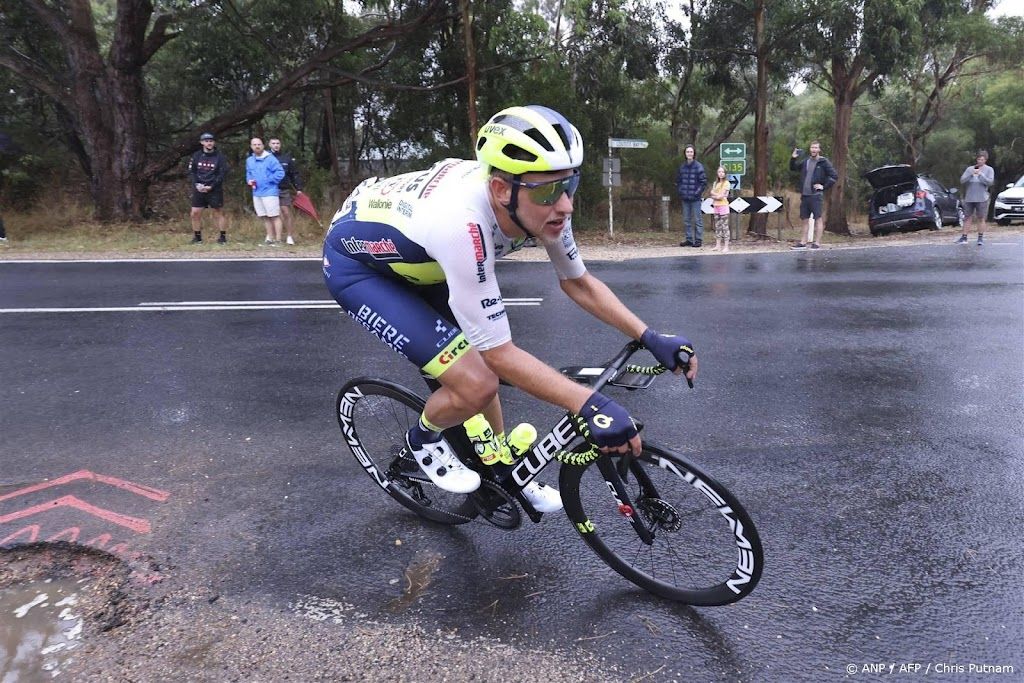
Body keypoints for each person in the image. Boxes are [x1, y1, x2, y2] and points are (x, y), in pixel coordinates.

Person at [322, 105, 698, 511]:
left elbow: (578, 282)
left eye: (571, 184)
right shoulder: (462, 225)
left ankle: (500, 468)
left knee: (482, 371)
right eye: (552, 191)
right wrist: (590, 405)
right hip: (361, 269)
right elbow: (498, 355)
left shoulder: (538, 199)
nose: (566, 205)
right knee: (479, 379)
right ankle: (423, 439)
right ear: (502, 189)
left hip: (426, 263)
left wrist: (649, 336)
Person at [789, 141, 837, 250]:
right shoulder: (806, 161)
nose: (814, 149)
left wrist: (823, 186)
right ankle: (803, 242)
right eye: (812, 147)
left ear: (819, 150)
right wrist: (793, 158)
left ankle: (817, 243)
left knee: (818, 219)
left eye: (816, 148)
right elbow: (793, 168)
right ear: (810, 149)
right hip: (805, 195)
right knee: (805, 219)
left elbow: (834, 176)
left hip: (816, 196)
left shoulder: (823, 162)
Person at [187, 132, 229, 244]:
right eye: (206, 141)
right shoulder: (196, 156)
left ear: (214, 142)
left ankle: (223, 237)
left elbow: (222, 173)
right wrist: (197, 184)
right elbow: (192, 172)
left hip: (214, 189)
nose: (209, 143)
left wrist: (212, 186)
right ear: (202, 143)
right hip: (199, 188)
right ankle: (197, 238)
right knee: (195, 213)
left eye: (211, 141)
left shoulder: (220, 156)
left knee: (218, 212)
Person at [245, 137, 286, 246]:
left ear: (263, 146)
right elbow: (249, 174)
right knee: (264, 216)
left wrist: (268, 181)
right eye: (254, 144)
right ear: (251, 146)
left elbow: (280, 173)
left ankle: (278, 240)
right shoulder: (249, 160)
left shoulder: (270, 158)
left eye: (259, 144)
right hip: (256, 192)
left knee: (274, 216)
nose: (257, 146)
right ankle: (270, 239)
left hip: (270, 192)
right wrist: (249, 181)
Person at [269, 137, 303, 245]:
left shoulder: (287, 158)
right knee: (272, 214)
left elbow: (294, 174)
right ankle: (271, 236)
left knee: (286, 212)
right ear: (270, 145)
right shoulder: (266, 158)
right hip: (270, 190)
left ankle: (289, 236)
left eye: (278, 143)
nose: (276, 145)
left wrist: (298, 188)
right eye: (273, 143)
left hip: (284, 189)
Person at [957, 150, 994, 246]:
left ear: (985, 160)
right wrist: (971, 174)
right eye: (978, 159)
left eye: (982, 159)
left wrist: (980, 174)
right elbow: (962, 180)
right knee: (967, 217)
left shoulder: (989, 169)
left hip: (982, 198)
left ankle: (980, 238)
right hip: (969, 197)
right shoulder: (970, 169)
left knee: (981, 218)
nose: (980, 161)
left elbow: (990, 182)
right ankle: (964, 237)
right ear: (976, 159)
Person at [676, 144, 707, 247]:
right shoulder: (682, 167)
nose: (689, 153)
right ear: (685, 154)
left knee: (698, 219)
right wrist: (681, 191)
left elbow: (703, 182)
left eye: (691, 152)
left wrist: (696, 193)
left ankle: (698, 240)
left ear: (694, 154)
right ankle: (689, 239)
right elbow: (679, 181)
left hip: (695, 198)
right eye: (687, 152)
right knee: (686, 220)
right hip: (685, 197)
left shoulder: (699, 166)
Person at [709, 166, 730, 253]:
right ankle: (717, 245)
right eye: (719, 172)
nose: (721, 173)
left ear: (725, 174)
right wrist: (716, 196)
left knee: (724, 226)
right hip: (716, 206)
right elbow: (711, 194)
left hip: (723, 206)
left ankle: (726, 246)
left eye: (722, 172)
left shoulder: (726, 183)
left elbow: (722, 196)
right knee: (717, 226)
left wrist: (717, 195)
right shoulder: (715, 183)